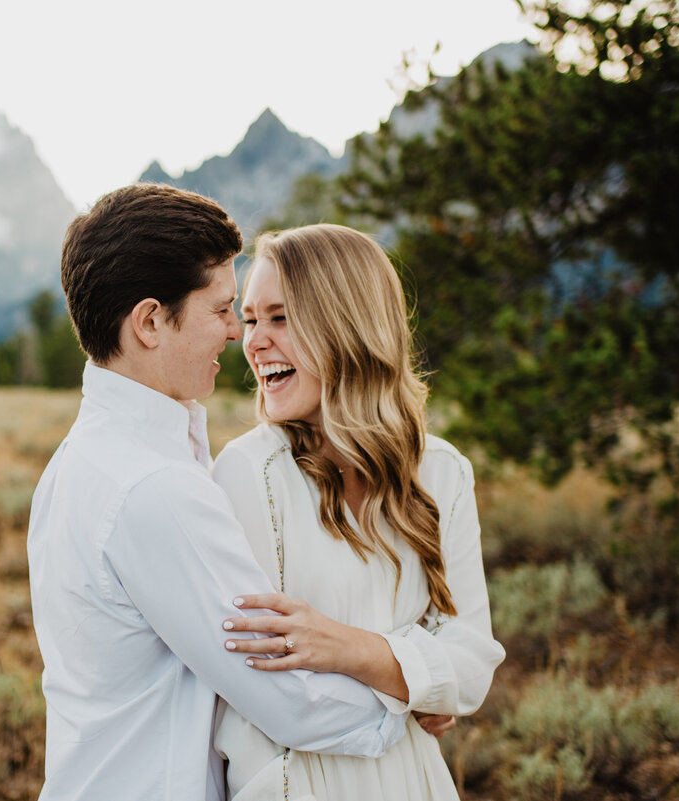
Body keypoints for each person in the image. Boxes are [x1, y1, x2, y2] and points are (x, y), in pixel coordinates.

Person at [26, 186, 413, 801]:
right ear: (150, 322)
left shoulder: (79, 461)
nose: (238, 333)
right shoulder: (153, 487)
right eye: (222, 309)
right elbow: (288, 698)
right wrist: (410, 696)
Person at [210, 224, 506, 800]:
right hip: (294, 782)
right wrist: (414, 683)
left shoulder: (442, 471)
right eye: (250, 320)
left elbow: (472, 668)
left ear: (347, 323)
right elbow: (265, 681)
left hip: (414, 780)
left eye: (280, 317)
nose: (254, 341)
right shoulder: (250, 473)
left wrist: (349, 648)